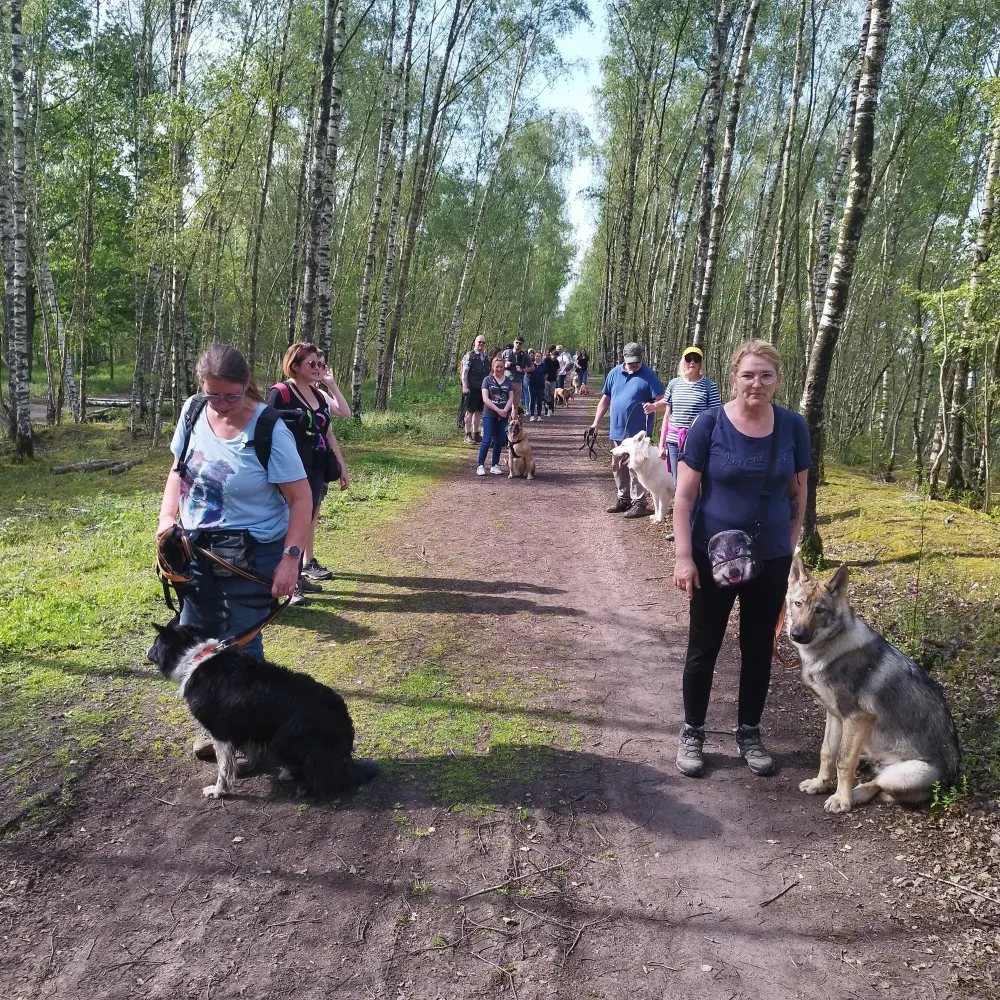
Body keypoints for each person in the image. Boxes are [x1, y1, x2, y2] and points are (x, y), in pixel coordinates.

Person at [157, 345, 311, 756]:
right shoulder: (192, 411)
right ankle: (224, 732)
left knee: (240, 650)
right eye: (214, 395)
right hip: (193, 551)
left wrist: (290, 559)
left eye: (232, 394)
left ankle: (253, 746)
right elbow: (177, 472)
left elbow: (301, 499)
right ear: (201, 389)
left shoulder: (269, 429)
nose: (223, 404)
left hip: (251, 555)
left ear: (248, 384)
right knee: (202, 646)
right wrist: (166, 521)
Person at [672, 339, 810, 780]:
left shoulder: (793, 427)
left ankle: (749, 731)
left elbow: (799, 492)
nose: (757, 383)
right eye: (748, 374)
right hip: (711, 557)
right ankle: (692, 731)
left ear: (778, 380)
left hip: (769, 559)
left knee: (758, 650)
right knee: (704, 647)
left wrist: (789, 546)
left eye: (766, 375)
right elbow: (683, 497)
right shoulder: (708, 424)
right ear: (733, 378)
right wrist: (682, 557)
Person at [266, 343, 348, 606]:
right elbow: (263, 430)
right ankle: (284, 584)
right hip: (289, 469)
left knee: (306, 521)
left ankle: (296, 578)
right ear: (294, 365)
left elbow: (335, 423)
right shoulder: (280, 393)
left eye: (320, 364)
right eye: (311, 364)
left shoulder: (318, 394)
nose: (317, 368)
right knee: (288, 523)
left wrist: (341, 464)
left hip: (316, 467)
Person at [590, 342, 664, 518]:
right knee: (617, 466)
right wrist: (595, 423)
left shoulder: (649, 376)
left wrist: (653, 407)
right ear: (624, 359)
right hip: (617, 431)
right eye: (630, 362)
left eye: (636, 361)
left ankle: (640, 502)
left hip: (638, 435)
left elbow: (662, 400)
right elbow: (605, 399)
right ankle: (623, 499)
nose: (634, 365)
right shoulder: (614, 373)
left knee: (636, 467)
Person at [645, 345, 721, 490]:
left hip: (697, 440)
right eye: (688, 359)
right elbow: (667, 415)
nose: (692, 362)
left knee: (696, 482)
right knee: (677, 481)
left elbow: (715, 417)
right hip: (674, 441)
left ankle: (696, 512)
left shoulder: (709, 386)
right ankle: (682, 512)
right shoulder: (674, 384)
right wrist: (662, 445)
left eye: (696, 359)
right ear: (683, 361)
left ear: (700, 363)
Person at [476, 354, 514, 476]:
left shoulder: (508, 381)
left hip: (503, 414)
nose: (499, 369)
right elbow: (485, 398)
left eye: (501, 367)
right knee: (487, 439)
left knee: (499, 440)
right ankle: (480, 465)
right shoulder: (487, 380)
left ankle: (495, 464)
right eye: (497, 367)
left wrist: (505, 410)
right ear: (493, 367)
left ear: (504, 367)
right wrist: (497, 410)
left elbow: (511, 397)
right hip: (490, 413)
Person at [461, 335, 489, 444]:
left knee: (478, 412)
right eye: (479, 342)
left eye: (483, 343)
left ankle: (475, 433)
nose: (481, 344)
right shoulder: (469, 356)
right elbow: (464, 373)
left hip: (482, 388)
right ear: (475, 342)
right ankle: (467, 434)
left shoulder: (485, 357)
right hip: (471, 388)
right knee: (469, 412)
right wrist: (465, 386)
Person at [503, 336, 532, 413]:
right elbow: (496, 364)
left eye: (520, 343)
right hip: (505, 380)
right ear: (514, 342)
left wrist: (522, 370)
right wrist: (504, 365)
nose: (518, 345)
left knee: (515, 404)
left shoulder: (524, 355)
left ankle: (513, 423)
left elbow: (532, 367)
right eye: (516, 343)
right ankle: (502, 422)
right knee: (503, 403)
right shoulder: (506, 352)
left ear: (522, 345)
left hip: (517, 381)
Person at [526, 349, 546, 421]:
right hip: (532, 385)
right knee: (532, 400)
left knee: (539, 400)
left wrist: (542, 380)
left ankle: (539, 415)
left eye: (539, 356)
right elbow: (527, 374)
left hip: (541, 385)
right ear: (534, 357)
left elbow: (545, 375)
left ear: (541, 357)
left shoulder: (543, 366)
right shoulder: (531, 365)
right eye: (536, 356)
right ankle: (532, 415)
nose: (538, 357)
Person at [542, 345, 560, 415]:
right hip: (546, 380)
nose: (555, 357)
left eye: (556, 356)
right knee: (546, 395)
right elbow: (543, 368)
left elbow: (558, 369)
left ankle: (551, 409)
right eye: (554, 356)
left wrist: (557, 376)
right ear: (551, 354)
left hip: (553, 380)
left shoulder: (556, 362)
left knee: (552, 395)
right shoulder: (546, 360)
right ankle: (546, 411)